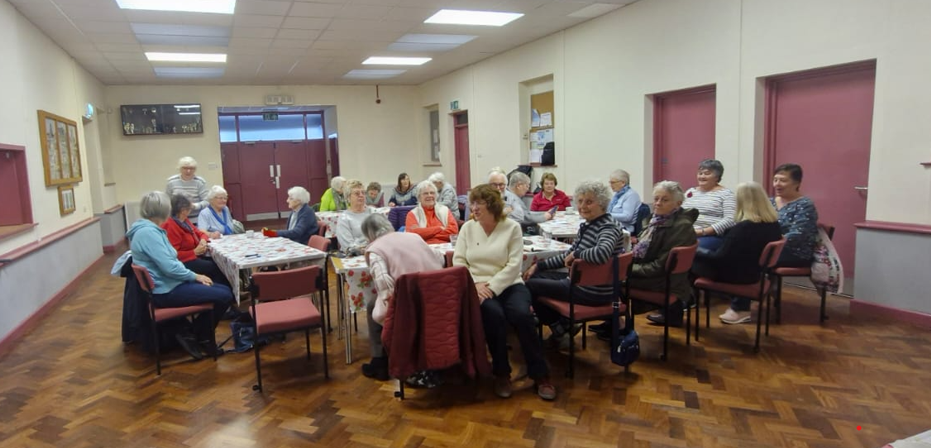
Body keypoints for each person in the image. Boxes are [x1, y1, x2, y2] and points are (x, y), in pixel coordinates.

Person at [453, 184, 556, 401]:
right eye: (473, 203)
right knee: (494, 317)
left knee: (522, 316)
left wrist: (492, 287)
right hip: (478, 287)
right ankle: (502, 374)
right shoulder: (467, 229)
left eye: (478, 203)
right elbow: (459, 262)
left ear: (492, 205)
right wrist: (475, 285)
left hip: (509, 284)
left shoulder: (511, 228)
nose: (473, 207)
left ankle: (540, 374)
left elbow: (514, 265)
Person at [127, 191, 234, 359]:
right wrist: (195, 276)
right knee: (224, 294)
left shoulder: (150, 230)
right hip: (165, 290)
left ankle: (193, 333)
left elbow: (172, 260)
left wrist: (192, 275)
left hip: (169, 283)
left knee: (219, 288)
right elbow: (169, 266)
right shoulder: (149, 233)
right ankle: (201, 336)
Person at [525, 180, 623, 349]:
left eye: (589, 202)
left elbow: (601, 253)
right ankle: (564, 323)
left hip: (592, 291)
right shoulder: (589, 225)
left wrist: (576, 254)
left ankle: (558, 326)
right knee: (534, 274)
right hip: (584, 283)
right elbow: (566, 256)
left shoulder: (607, 227)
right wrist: (539, 266)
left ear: (602, 204)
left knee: (529, 285)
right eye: (580, 201)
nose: (582, 206)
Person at [359, 214, 444, 381]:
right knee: (371, 305)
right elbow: (440, 259)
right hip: (437, 296)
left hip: (408, 305)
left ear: (369, 235)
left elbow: (384, 283)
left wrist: (389, 301)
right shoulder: (413, 236)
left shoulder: (376, 249)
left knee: (373, 309)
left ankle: (380, 361)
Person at [691, 182, 783, 325]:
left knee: (686, 263)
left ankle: (682, 304)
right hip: (754, 272)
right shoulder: (773, 224)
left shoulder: (743, 228)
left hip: (739, 276)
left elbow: (720, 258)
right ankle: (738, 306)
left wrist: (696, 249)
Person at [630, 181, 699, 328]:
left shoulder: (680, 226)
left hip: (665, 281)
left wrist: (627, 269)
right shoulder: (656, 221)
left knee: (610, 279)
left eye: (665, 200)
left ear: (678, 203)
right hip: (659, 275)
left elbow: (658, 267)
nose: (658, 203)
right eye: (656, 199)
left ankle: (618, 327)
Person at [161, 194, 229, 288]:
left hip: (195, 256)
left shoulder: (184, 221)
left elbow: (200, 233)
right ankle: (222, 293)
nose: (191, 210)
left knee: (218, 262)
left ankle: (226, 291)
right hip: (184, 262)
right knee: (215, 267)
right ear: (183, 210)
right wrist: (194, 252)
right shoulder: (170, 225)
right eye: (189, 208)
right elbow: (173, 255)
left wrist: (203, 241)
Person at [771, 163, 819, 268]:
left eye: (783, 180)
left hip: (794, 252)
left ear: (797, 183)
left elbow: (798, 234)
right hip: (771, 247)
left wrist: (770, 242)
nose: (777, 184)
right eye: (775, 180)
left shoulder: (805, 205)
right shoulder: (770, 202)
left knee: (753, 257)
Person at [683, 159, 736, 253]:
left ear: (717, 177)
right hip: (686, 233)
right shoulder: (690, 192)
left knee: (688, 249)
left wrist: (703, 231)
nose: (702, 176)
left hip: (711, 236)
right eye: (700, 173)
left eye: (707, 173)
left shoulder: (726, 194)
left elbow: (730, 220)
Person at [405, 180, 460, 244]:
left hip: (445, 249)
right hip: (423, 249)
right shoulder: (412, 214)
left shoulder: (445, 210)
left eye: (432, 193)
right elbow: (413, 235)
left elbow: (453, 232)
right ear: (419, 197)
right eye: (425, 193)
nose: (429, 195)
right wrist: (439, 228)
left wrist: (426, 234)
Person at [165, 156, 208, 223]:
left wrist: (194, 206)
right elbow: (166, 200)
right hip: (176, 220)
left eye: (191, 168)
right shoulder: (171, 181)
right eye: (185, 168)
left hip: (196, 220)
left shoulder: (200, 182)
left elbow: (207, 201)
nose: (188, 171)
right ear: (180, 168)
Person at [336, 179, 372, 255]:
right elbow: (349, 247)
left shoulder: (372, 213)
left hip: (375, 253)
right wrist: (368, 249)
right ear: (348, 198)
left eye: (363, 193)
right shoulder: (344, 218)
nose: (361, 195)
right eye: (357, 193)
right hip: (355, 256)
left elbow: (384, 237)